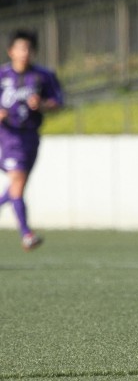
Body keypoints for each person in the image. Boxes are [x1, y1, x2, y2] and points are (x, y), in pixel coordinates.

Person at [0, 29, 63, 251]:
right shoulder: (2, 75)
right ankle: (26, 233)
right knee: (17, 182)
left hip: (30, 137)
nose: (24, 53)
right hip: (6, 136)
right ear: (11, 51)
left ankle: (26, 233)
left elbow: (58, 102)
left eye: (28, 49)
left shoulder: (43, 76)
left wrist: (43, 105)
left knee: (17, 186)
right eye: (20, 48)